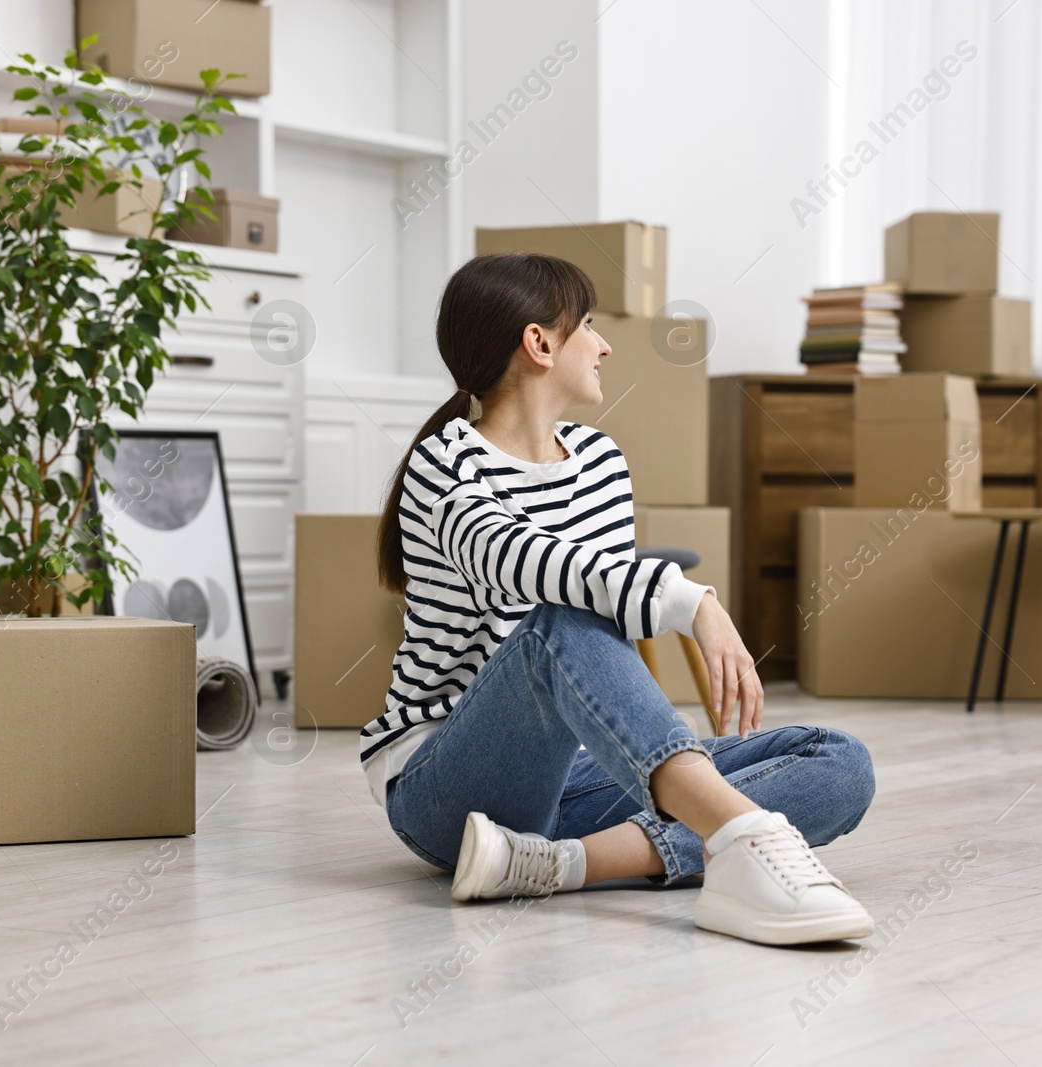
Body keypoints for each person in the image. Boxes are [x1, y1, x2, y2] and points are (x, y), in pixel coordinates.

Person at [359, 253, 876, 946]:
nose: (603, 344)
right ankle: (742, 842)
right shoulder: (446, 462)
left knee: (839, 760)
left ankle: (556, 865)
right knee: (558, 621)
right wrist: (694, 602)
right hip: (447, 784)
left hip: (570, 778)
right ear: (539, 343)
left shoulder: (601, 462)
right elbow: (523, 562)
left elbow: (604, 616)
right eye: (590, 326)